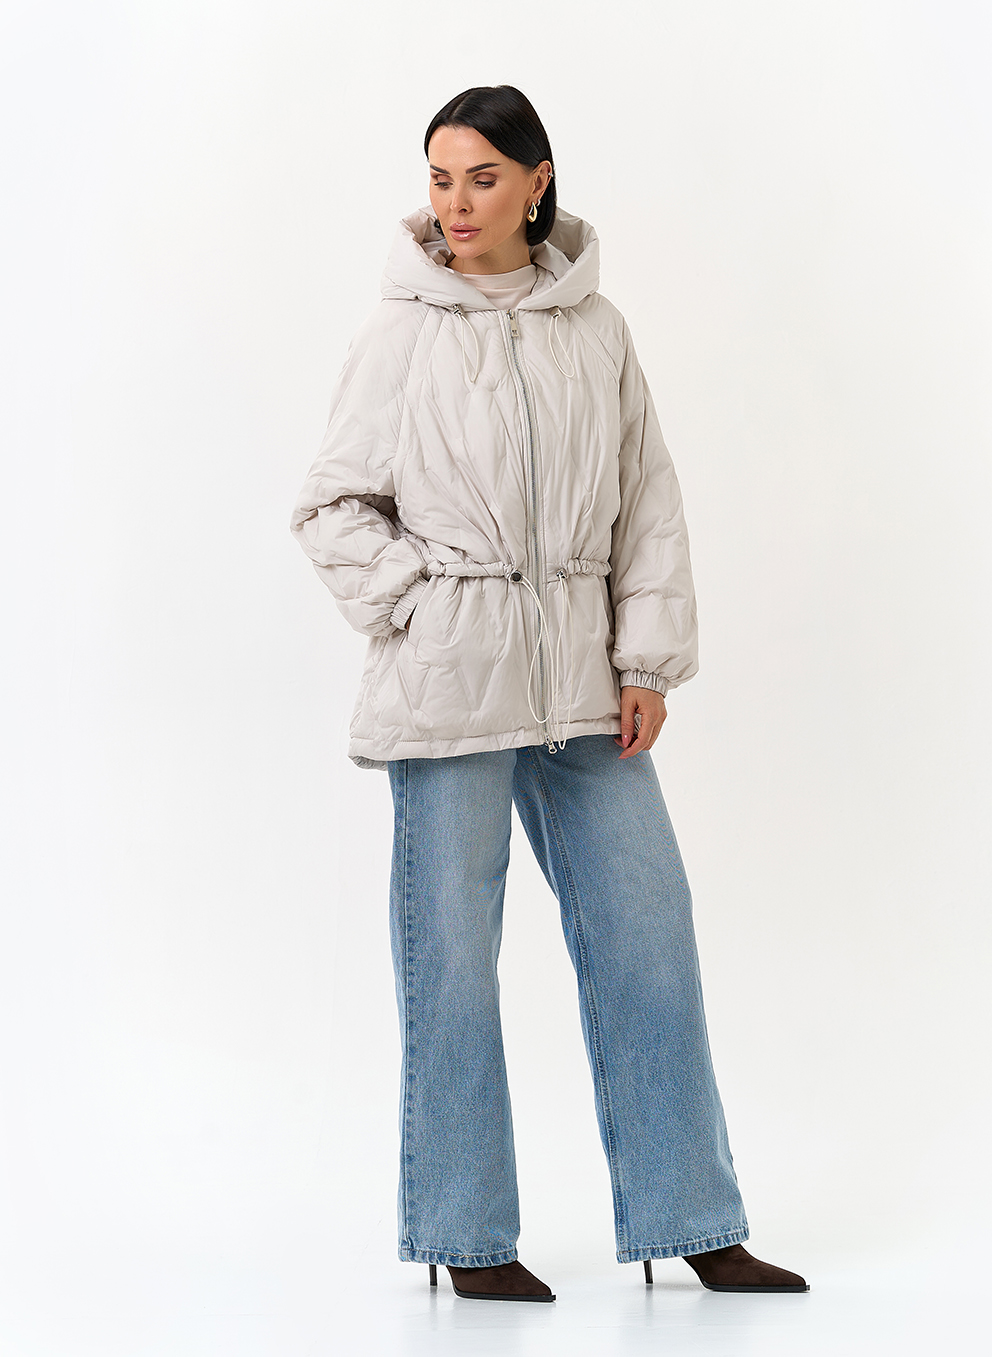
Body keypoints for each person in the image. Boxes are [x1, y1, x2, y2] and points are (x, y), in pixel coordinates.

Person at [290, 85, 808, 1303]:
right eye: (438, 179)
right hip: (447, 688)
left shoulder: (596, 328)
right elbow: (328, 505)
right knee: (450, 962)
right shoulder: (398, 334)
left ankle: (690, 1216)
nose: (455, 203)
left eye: (481, 177)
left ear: (537, 180)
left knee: (647, 932)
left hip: (583, 685)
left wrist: (643, 661)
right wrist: (422, 603)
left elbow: (646, 500)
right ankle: (465, 1238)